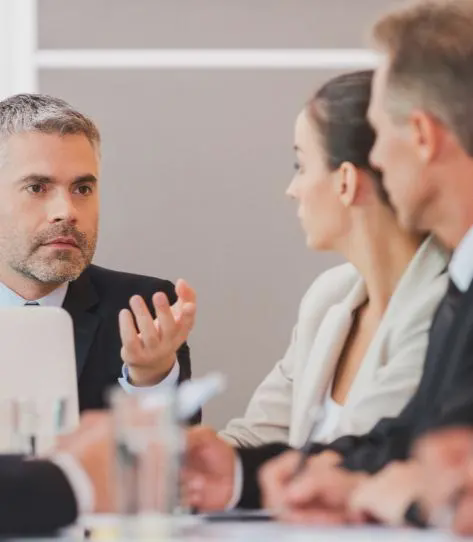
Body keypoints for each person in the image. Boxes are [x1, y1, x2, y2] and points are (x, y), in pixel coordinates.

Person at [183, 0, 473, 524]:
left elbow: (435, 471)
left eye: (383, 134)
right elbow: (401, 440)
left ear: (423, 137)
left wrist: (412, 498)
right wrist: (240, 475)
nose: (376, 159)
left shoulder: (444, 291)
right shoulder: (459, 282)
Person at [220, 70, 448, 451]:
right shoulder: (328, 297)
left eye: (301, 166)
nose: (291, 190)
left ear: (346, 181)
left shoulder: (444, 308)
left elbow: (359, 463)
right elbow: (255, 438)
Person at [0, 93, 198, 415]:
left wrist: (150, 379)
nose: (66, 211)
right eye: (37, 187)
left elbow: (177, 446)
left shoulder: (141, 311)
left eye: (82, 189)